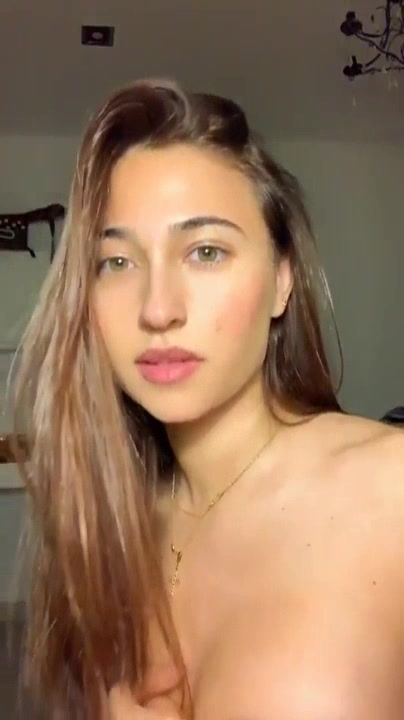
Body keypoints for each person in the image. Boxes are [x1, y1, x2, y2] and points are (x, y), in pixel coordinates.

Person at [13, 78, 404, 720]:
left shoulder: (389, 491)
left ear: (282, 280)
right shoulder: (106, 525)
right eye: (117, 262)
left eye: (205, 251)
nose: (158, 308)